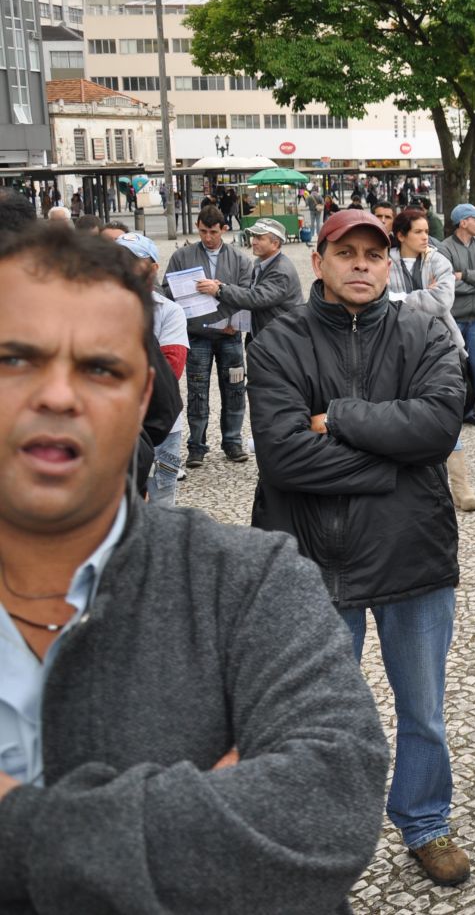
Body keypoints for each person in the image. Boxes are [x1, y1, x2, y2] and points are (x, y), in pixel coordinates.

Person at [0, 223, 388, 912]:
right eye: (15, 359)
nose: (58, 396)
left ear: (146, 395)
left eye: (99, 367)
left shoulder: (249, 579)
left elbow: (326, 807)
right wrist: (203, 819)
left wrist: (22, 824)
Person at [247, 209, 472, 888]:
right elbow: (285, 456)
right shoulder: (279, 338)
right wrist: (388, 465)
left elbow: (438, 425)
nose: (362, 264)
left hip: (412, 553)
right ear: (318, 260)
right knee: (314, 716)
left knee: (424, 711)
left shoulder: (423, 328)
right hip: (311, 558)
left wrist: (340, 420)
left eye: (374, 253)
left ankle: (426, 820)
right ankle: (317, 834)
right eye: (346, 251)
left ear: (390, 263)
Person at [389, 207, 475, 511]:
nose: (426, 236)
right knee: (405, 415)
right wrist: (416, 297)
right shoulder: (385, 261)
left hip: (441, 346)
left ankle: (461, 488)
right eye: (418, 231)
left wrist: (400, 298)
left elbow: (443, 300)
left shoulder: (438, 259)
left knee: (446, 414)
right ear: (401, 235)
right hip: (399, 348)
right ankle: (415, 487)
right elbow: (378, 300)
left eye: (427, 230)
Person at [166, 205, 252, 468]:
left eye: (213, 232)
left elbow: (249, 294)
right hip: (197, 334)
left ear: (224, 230)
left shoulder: (239, 259)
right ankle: (197, 445)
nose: (207, 238)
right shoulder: (182, 256)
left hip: (230, 334)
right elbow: (168, 292)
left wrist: (221, 291)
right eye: (203, 231)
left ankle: (232, 441)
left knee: (235, 389)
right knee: (197, 391)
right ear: (197, 227)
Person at [115, 232, 190, 506]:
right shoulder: (99, 311)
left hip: (162, 426)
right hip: (118, 427)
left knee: (161, 502)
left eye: (134, 260)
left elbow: (172, 368)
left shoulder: (168, 311)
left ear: (154, 268)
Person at [436, 204, 475, 426]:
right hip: (453, 319)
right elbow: (446, 285)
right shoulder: (444, 249)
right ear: (463, 222)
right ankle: (453, 408)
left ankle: (472, 407)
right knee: (451, 365)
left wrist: (465, 276)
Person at [195, 217, 304, 343]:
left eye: (260, 238)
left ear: (275, 244)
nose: (253, 242)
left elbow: (256, 298)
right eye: (254, 237)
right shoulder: (263, 263)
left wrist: (220, 290)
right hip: (271, 337)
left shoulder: (280, 271)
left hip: (280, 341)